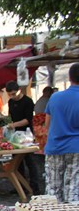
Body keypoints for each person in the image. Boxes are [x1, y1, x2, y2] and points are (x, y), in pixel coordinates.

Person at [44, 63, 79, 202]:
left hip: (55, 147)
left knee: (53, 189)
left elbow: (47, 125)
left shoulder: (55, 97)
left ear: (69, 78)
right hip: (76, 149)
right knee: (73, 188)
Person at [6, 81, 43, 195]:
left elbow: (28, 119)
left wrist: (14, 125)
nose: (12, 96)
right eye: (10, 94)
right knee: (17, 163)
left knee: (30, 162)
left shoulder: (28, 101)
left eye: (14, 94)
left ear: (19, 90)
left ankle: (34, 187)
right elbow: (10, 117)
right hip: (15, 136)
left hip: (27, 135)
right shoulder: (11, 102)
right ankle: (21, 187)